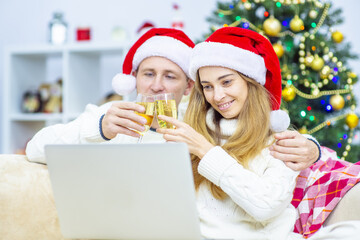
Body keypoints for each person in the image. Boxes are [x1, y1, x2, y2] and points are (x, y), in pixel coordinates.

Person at [155, 27, 360, 239]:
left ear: (250, 82)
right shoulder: (192, 130)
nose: (217, 96)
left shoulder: (280, 141)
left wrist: (205, 151)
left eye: (226, 82)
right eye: (207, 86)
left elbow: (265, 206)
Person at [25, 27, 320, 168]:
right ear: (134, 78)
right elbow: (35, 148)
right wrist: (99, 128)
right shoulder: (113, 114)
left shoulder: (206, 118)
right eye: (148, 74)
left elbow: (262, 137)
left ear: (190, 87)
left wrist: (313, 149)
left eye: (170, 76)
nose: (155, 85)